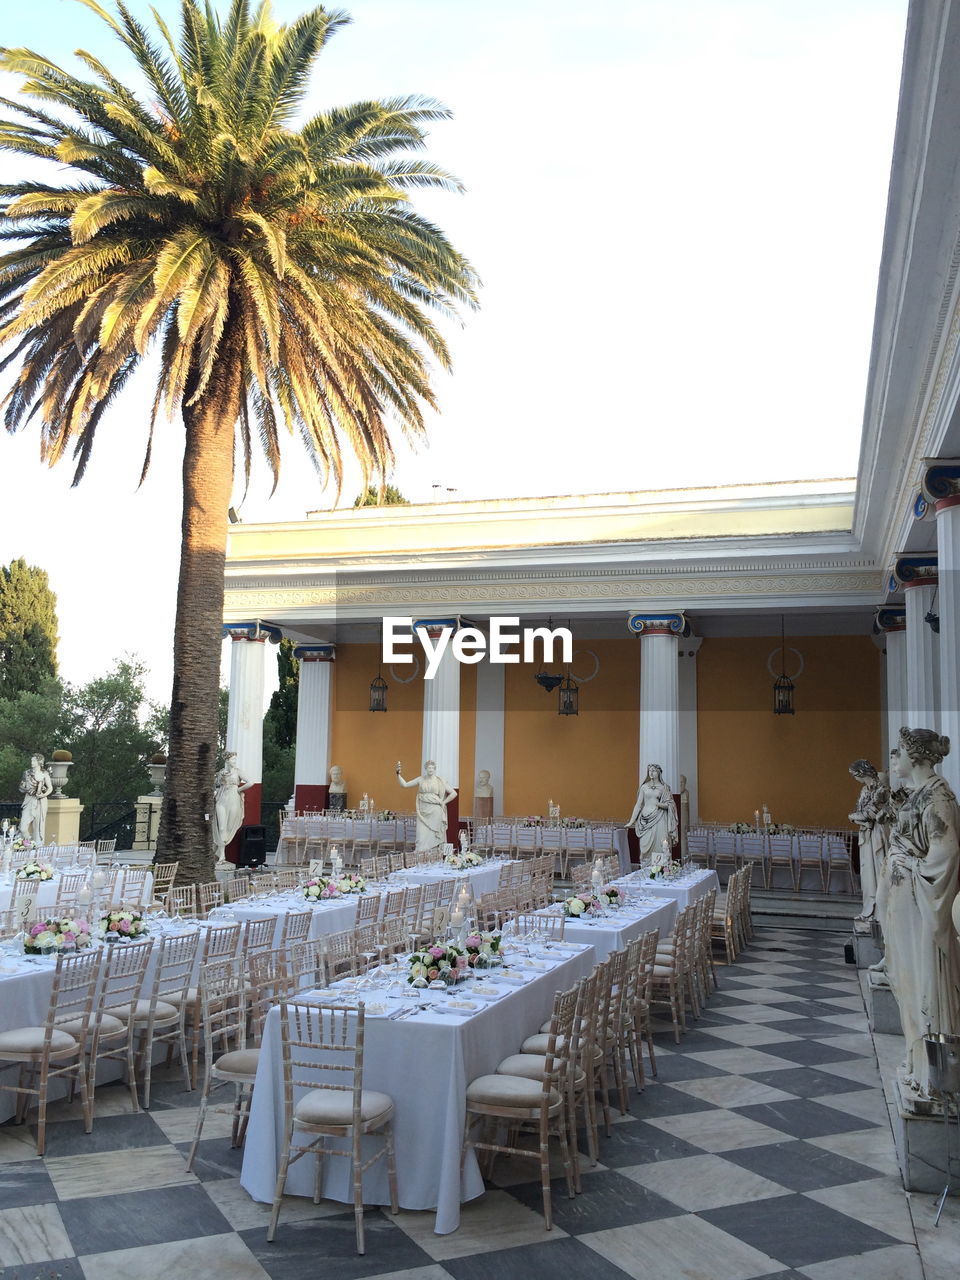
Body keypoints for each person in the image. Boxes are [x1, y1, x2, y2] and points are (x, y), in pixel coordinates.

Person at [884, 726, 960, 1098]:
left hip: (919, 905)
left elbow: (945, 855)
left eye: (897, 752)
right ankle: (916, 1059)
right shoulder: (919, 794)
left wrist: (910, 869)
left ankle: (931, 1068)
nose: (893, 759)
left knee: (921, 981)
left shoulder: (938, 797)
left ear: (914, 756)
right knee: (909, 983)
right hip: (905, 904)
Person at [848, 759, 883, 921]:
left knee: (875, 871)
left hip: (876, 835)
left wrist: (855, 817)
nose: (854, 779)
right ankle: (868, 909)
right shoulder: (865, 790)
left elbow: (870, 814)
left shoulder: (880, 789)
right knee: (867, 873)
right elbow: (859, 811)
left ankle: (878, 910)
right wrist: (857, 817)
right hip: (866, 834)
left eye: (854, 775)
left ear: (861, 773)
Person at [396, 760, 457, 852]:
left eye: (432, 768)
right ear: (426, 769)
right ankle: (421, 856)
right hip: (423, 811)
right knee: (421, 836)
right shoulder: (420, 779)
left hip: (436, 811)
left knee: (436, 834)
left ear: (435, 769)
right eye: (429, 767)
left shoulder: (440, 781)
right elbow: (405, 785)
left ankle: (435, 856)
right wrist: (398, 774)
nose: (430, 769)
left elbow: (454, 793)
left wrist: (444, 802)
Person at [629, 763, 678, 859]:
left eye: (654, 770)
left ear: (659, 773)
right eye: (650, 770)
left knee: (661, 845)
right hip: (645, 820)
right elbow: (638, 805)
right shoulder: (644, 787)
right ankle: (646, 869)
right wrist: (631, 821)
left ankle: (660, 869)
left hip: (659, 819)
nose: (651, 772)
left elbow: (671, 805)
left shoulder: (664, 788)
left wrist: (661, 805)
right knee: (644, 846)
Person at [210, 752, 252, 863]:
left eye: (235, 759)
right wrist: (215, 792)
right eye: (233, 760)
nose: (234, 762)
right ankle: (222, 855)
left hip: (233, 800)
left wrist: (238, 790)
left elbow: (250, 782)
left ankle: (219, 852)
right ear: (227, 761)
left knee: (229, 827)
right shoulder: (221, 773)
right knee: (222, 827)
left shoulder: (238, 772)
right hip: (221, 799)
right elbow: (214, 785)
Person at [18, 753, 52, 845]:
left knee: (38, 827)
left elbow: (50, 788)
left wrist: (42, 795)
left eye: (34, 760)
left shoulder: (44, 773)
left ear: (39, 762)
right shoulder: (26, 773)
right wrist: (27, 790)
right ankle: (29, 843)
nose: (31, 762)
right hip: (29, 800)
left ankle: (37, 849)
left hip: (41, 802)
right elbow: (21, 787)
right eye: (31, 760)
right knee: (23, 827)